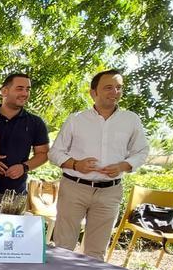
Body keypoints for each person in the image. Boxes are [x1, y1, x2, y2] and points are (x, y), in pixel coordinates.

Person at [50, 69, 150, 257]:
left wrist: (124, 166)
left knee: (96, 251)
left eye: (119, 88)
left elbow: (142, 151)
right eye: (108, 87)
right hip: (74, 188)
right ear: (93, 92)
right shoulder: (76, 120)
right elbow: (55, 153)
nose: (115, 92)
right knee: (63, 246)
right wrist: (75, 164)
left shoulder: (131, 120)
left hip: (110, 192)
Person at [0, 73, 50, 213]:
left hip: (14, 195)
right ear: (4, 91)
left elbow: (43, 154)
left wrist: (24, 167)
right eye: (20, 88)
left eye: (28, 89)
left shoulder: (35, 123)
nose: (25, 93)